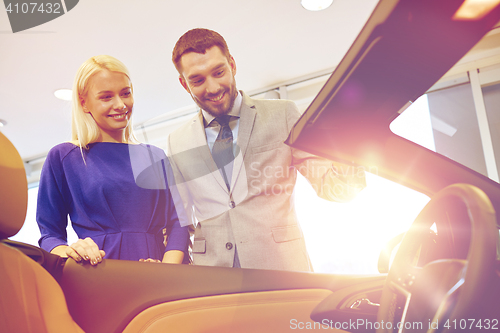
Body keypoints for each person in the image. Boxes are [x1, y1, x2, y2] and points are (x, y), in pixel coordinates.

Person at [167, 29, 366, 271]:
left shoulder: (283, 114)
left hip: (283, 269)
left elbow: (336, 189)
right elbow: (181, 219)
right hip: (213, 277)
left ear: (232, 65)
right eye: (197, 80)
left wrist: (351, 142)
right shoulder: (176, 141)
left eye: (219, 72)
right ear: (184, 84)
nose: (212, 88)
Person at [37, 55, 188, 265]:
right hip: (98, 274)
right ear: (84, 103)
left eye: (125, 93)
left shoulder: (156, 157)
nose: (120, 104)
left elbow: (178, 224)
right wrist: (72, 252)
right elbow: (50, 235)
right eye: (106, 97)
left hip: (159, 276)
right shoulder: (64, 158)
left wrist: (166, 270)